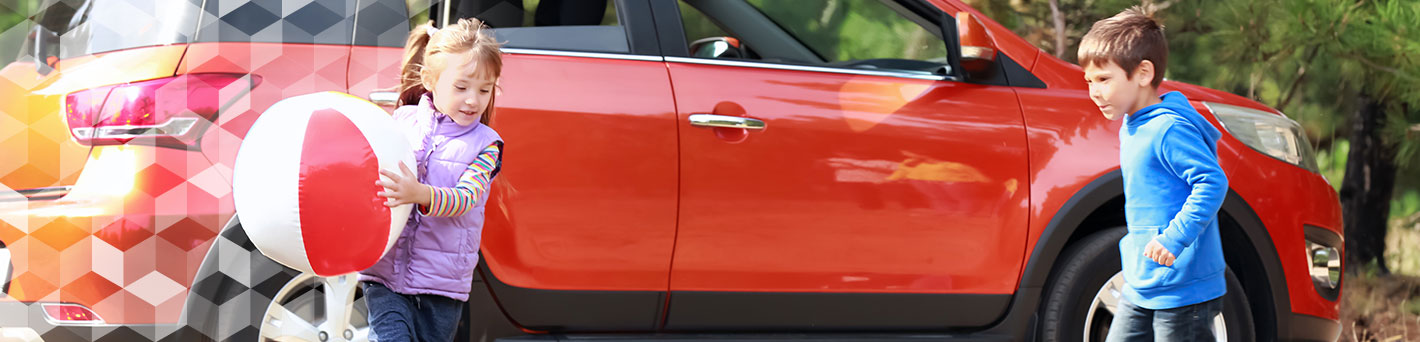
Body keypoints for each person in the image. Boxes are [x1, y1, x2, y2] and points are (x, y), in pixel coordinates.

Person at [1078, 5, 1229, 341]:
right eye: (1089, 80)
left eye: (1104, 79)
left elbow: (1212, 182)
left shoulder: (1167, 129)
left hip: (1183, 286)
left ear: (1143, 73)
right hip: (1143, 278)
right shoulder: (1133, 125)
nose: (1094, 91)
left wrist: (1174, 238)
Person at [360, 17, 505, 342]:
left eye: (484, 89)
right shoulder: (402, 121)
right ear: (430, 80)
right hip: (384, 275)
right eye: (461, 87)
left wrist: (419, 193)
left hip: (439, 286)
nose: (473, 100)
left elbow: (465, 198)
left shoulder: (485, 145)